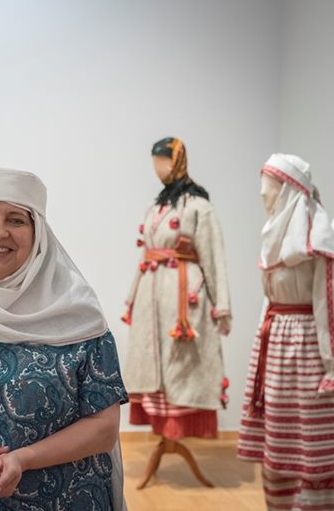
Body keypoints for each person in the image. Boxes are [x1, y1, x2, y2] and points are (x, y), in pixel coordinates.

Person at [0, 168, 128, 510]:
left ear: (38, 233)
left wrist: (24, 459)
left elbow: (104, 428)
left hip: (68, 498)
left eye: (16, 220)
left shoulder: (78, 314)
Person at [121, 138, 231, 472]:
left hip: (182, 296)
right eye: (154, 162)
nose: (157, 168)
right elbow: (145, 254)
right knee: (153, 365)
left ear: (177, 160)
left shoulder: (198, 206)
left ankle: (177, 432)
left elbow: (213, 257)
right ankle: (162, 432)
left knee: (179, 364)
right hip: (152, 294)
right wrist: (132, 299)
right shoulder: (157, 206)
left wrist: (222, 306)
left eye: (162, 161)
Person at [238, 154, 334, 510]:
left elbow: (327, 303)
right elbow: (270, 300)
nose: (263, 195)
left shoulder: (318, 237)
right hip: (276, 344)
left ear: (288, 190)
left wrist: (331, 364)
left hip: (307, 348)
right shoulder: (275, 235)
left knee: (309, 434)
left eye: (268, 188)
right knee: (279, 435)